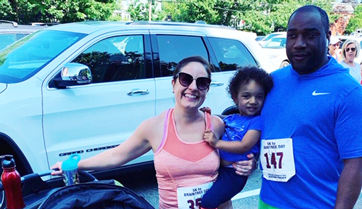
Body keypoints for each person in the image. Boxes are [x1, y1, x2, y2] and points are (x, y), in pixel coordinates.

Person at [51, 56, 254, 209]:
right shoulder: (154, 127)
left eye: (201, 83)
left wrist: (249, 164)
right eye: (186, 79)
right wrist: (75, 164)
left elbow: (238, 156)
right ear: (173, 84)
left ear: (207, 90)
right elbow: (117, 156)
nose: (193, 87)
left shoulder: (217, 125)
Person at [259, 5, 362, 209]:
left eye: (310, 35)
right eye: (292, 35)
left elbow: (355, 163)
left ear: (327, 36)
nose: (299, 44)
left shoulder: (348, 92)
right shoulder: (271, 82)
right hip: (267, 202)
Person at [201, 66, 273, 209]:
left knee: (208, 202)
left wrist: (216, 143)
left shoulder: (257, 121)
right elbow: (219, 127)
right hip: (221, 169)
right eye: (246, 96)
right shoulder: (232, 118)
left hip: (234, 174)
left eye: (259, 97)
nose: (253, 101)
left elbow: (244, 146)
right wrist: (207, 114)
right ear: (235, 98)